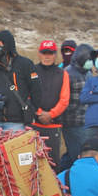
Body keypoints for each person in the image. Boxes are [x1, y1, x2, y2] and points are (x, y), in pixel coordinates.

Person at [28, 40, 70, 169]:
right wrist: (39, 112)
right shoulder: (32, 71)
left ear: (55, 55)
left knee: (52, 163)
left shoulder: (63, 73)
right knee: (32, 162)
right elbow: (28, 96)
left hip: (53, 125)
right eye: (44, 53)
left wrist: (51, 114)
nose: (47, 56)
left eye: (50, 53)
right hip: (34, 124)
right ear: (39, 54)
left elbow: (64, 99)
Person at [0, 30, 35, 131]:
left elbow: (36, 91)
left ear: (8, 45)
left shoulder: (25, 65)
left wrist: (30, 113)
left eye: (0, 44)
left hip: (16, 122)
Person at [58, 43, 93, 170]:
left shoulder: (88, 73)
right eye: (88, 59)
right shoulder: (67, 73)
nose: (90, 62)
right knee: (78, 155)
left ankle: (62, 174)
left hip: (85, 121)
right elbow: (63, 98)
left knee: (77, 153)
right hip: (71, 122)